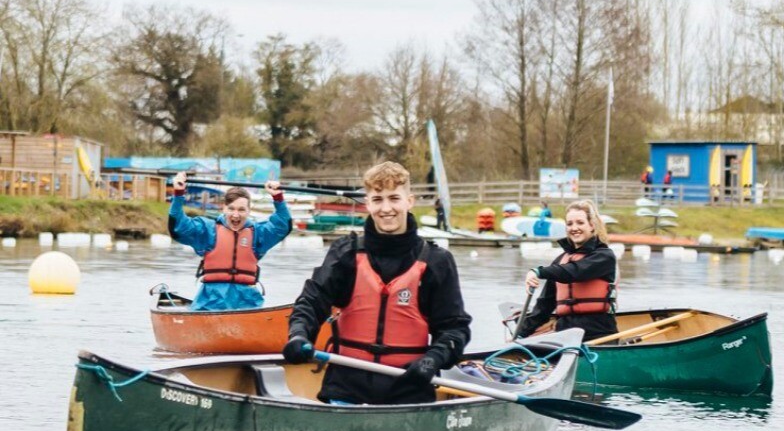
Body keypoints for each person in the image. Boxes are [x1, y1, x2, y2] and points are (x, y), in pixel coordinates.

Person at [282, 161, 471, 405]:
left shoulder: (437, 261)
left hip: (408, 391)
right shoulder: (346, 253)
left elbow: (455, 328)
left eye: (394, 198)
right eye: (378, 199)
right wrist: (298, 335)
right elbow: (311, 302)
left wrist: (432, 359)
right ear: (368, 203)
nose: (386, 208)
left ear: (409, 201)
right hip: (345, 388)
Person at [168, 171, 292, 311]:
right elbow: (178, 227)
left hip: (247, 303)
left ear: (249, 211)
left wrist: (278, 197)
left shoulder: (258, 233)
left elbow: (283, 226)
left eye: (241, 210)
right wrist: (178, 193)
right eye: (231, 208)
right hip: (210, 303)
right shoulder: (208, 230)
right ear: (224, 208)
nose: (235, 215)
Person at [516, 199, 618, 343]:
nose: (574, 228)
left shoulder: (604, 256)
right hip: (564, 336)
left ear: (592, 226)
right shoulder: (560, 261)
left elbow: (575, 272)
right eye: (569, 224)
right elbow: (544, 305)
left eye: (580, 223)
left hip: (598, 335)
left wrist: (538, 272)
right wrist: (521, 333)